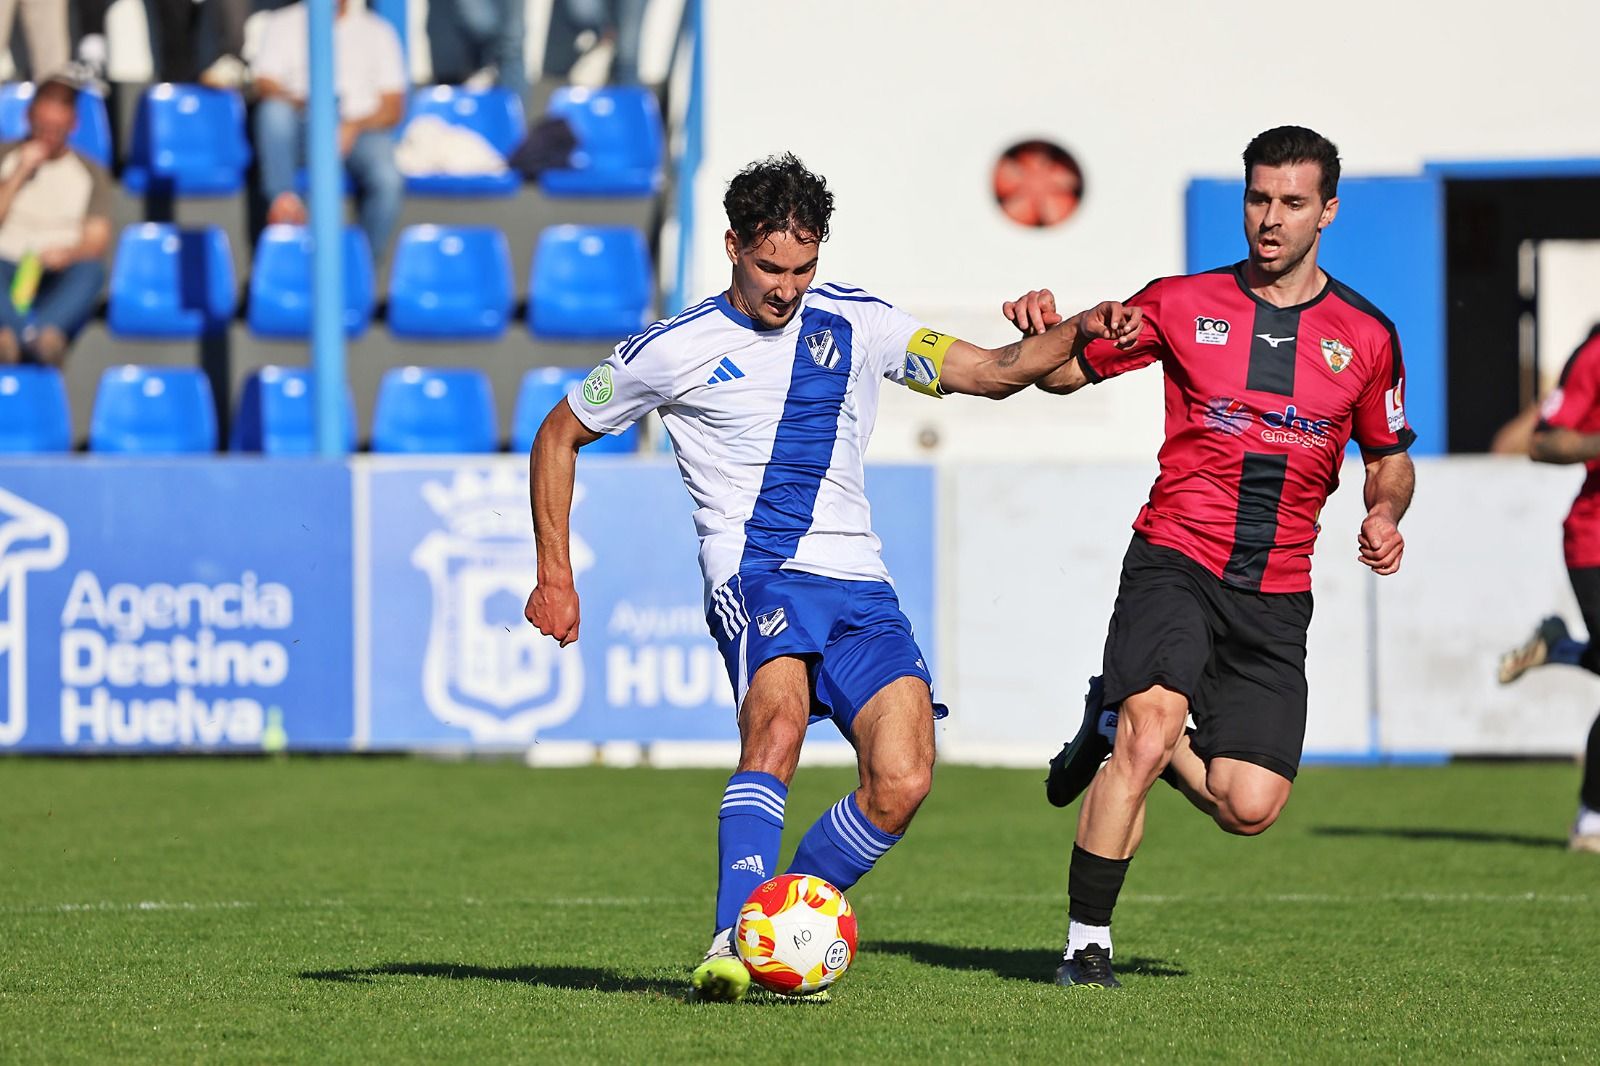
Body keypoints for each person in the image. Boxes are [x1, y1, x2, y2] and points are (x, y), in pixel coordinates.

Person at [524, 153, 1141, 1002]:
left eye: (803, 267)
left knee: (904, 779)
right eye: (769, 267)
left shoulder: (864, 322)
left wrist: (1070, 330)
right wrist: (555, 573)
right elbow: (557, 434)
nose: (786, 287)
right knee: (774, 726)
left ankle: (776, 922)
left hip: (860, 585)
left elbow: (995, 373)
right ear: (733, 246)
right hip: (760, 576)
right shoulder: (673, 349)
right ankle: (730, 938)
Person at [1006, 125, 1417, 989]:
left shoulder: (1367, 337)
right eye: (1258, 199)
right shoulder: (1179, 301)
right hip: (1176, 558)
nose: (1270, 219)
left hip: (1274, 591)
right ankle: (1086, 946)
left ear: (1327, 212)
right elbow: (1067, 374)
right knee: (1154, 733)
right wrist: (1047, 336)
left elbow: (1389, 454)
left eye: (1292, 203)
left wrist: (1384, 510)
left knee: (1249, 805)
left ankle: (1112, 720)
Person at [1495, 325, 1600, 853]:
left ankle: (1561, 648)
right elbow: (1542, 441)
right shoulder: (1596, 355)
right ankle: (1592, 817)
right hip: (1596, 542)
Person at [246, 0, 406, 258]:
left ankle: (358, 267)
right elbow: (265, 84)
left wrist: (351, 126)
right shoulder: (281, 23)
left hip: (359, 130)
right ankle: (285, 205)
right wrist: (307, 106)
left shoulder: (377, 31)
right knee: (274, 114)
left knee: (387, 177)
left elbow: (393, 107)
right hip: (300, 125)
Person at [0, 77, 110, 366]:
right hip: (5, 263)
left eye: (56, 129)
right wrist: (19, 173)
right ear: (28, 117)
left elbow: (96, 240)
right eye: (41, 127)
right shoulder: (5, 157)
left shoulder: (90, 173)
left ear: (72, 125)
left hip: (53, 271)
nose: (47, 136)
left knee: (91, 271)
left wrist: (69, 254)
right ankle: (28, 337)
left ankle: (26, 337)